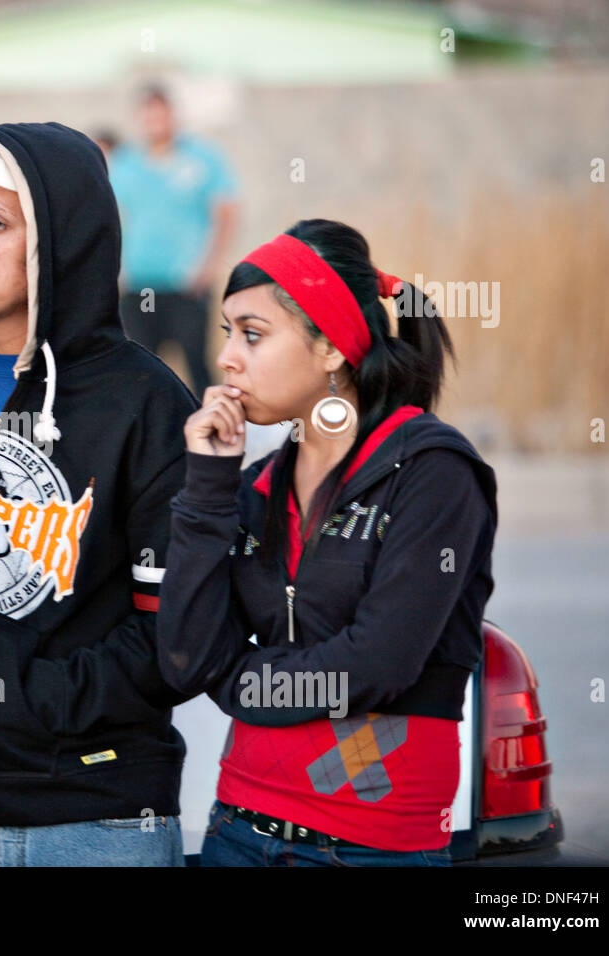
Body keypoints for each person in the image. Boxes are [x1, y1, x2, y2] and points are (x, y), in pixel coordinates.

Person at [0, 122, 198, 866]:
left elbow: (177, 637)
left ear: (61, 245)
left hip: (96, 819)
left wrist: (21, 699)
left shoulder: (146, 402)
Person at [156, 219, 497, 866]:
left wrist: (239, 687)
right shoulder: (255, 486)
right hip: (237, 829)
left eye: (252, 335)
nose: (227, 356)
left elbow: (379, 664)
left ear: (332, 349)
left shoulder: (431, 473)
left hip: (370, 846)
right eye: (228, 332)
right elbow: (183, 660)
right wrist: (206, 488)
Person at [110, 84, 240, 396]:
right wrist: (118, 269)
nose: (155, 122)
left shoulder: (202, 159)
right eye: (148, 116)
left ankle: (211, 434)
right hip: (140, 287)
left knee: (198, 366)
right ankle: (145, 437)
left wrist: (207, 268)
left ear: (173, 116)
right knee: (139, 367)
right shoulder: (126, 163)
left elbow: (225, 213)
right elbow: (112, 215)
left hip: (187, 286)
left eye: (161, 115)